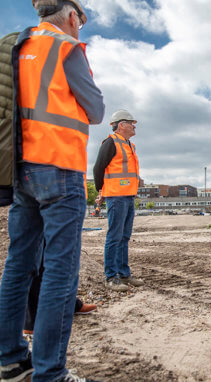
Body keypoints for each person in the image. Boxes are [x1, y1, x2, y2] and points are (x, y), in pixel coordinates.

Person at [0, 1, 105, 381]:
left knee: (18, 266)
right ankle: (50, 373)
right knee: (60, 271)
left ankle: (10, 360)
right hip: (59, 168)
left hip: (20, 168)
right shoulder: (65, 46)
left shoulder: (15, 44)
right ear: (72, 16)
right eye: (82, 22)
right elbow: (95, 109)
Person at [93, 109, 143, 292]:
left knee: (124, 236)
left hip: (128, 196)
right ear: (121, 125)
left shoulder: (130, 145)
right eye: (131, 123)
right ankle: (111, 276)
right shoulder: (111, 143)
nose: (134, 126)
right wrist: (101, 190)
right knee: (114, 237)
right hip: (116, 196)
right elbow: (98, 168)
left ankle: (123, 273)